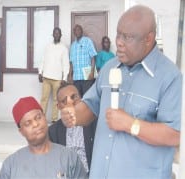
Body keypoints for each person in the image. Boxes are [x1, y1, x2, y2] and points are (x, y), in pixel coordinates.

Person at [61, 5, 182, 179]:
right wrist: (73, 114)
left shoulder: (170, 77)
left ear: (149, 38)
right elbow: (90, 106)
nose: (119, 41)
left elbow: (174, 135)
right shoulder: (110, 67)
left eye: (128, 37)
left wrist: (130, 124)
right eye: (118, 34)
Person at [0, 97, 87, 179]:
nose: (35, 124)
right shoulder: (10, 165)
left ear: (44, 117)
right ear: (21, 131)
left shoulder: (69, 157)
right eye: (28, 123)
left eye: (38, 117)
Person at [48, 83, 95, 174]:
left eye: (74, 97)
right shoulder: (53, 132)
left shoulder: (93, 123)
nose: (71, 102)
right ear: (58, 106)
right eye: (64, 101)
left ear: (81, 99)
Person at [38, 27, 70, 123]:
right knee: (44, 98)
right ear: (53, 35)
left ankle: (54, 119)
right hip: (46, 77)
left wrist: (65, 78)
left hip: (57, 79)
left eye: (58, 33)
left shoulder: (64, 48)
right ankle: (41, 118)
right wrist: (40, 72)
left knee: (56, 100)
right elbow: (43, 60)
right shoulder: (48, 47)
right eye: (55, 33)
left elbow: (66, 64)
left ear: (60, 35)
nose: (56, 35)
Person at [69, 24, 97, 96]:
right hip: (76, 77)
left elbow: (93, 58)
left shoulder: (88, 41)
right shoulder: (73, 45)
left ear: (82, 32)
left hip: (87, 76)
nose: (77, 32)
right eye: (75, 30)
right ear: (74, 33)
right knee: (77, 99)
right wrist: (70, 75)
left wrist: (92, 72)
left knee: (87, 98)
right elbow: (71, 62)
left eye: (79, 30)